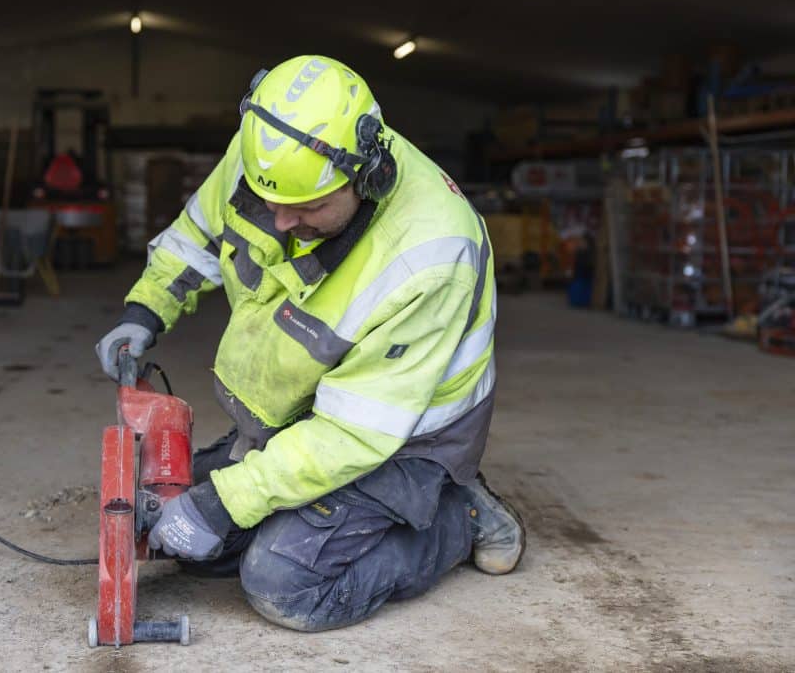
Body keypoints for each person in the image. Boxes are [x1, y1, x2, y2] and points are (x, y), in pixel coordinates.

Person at [96, 55, 525, 632]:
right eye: (271, 202)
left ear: (366, 176)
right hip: (307, 411)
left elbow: (354, 433)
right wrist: (145, 310)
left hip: (401, 438)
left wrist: (226, 502)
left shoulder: (429, 253)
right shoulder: (273, 158)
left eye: (306, 209)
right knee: (185, 528)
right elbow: (199, 232)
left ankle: (457, 513)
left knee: (283, 582)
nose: (278, 223)